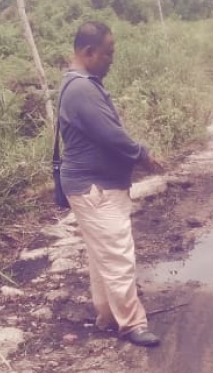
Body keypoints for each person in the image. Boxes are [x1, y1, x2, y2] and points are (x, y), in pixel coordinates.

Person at [57, 21, 163, 347]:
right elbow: (111, 135)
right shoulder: (81, 89)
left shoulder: (80, 84)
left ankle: (107, 315)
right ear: (88, 52)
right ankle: (131, 324)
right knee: (117, 254)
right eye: (108, 53)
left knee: (101, 255)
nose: (111, 60)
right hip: (95, 188)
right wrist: (143, 155)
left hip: (91, 186)